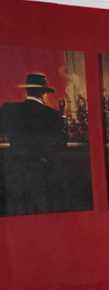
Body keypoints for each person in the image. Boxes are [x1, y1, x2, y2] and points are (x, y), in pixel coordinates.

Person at [0, 72, 66, 215]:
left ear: (27, 90)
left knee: (17, 212)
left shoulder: (9, 109)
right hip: (40, 172)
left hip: (14, 172)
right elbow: (61, 143)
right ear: (43, 93)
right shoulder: (52, 115)